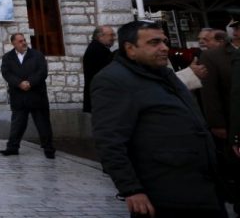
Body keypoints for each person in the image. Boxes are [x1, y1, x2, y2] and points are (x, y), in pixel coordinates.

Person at [92, 20, 224, 217]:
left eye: (164, 41)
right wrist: (131, 189)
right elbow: (110, 140)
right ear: (130, 49)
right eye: (154, 43)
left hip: (201, 187)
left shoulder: (165, 73)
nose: (164, 48)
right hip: (164, 193)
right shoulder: (113, 80)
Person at [197, 28, 238, 208]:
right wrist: (217, 123)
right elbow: (210, 93)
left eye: (205, 39)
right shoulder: (212, 57)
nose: (201, 42)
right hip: (231, 122)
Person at [0, 33, 55, 158]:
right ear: (13, 43)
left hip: (36, 95)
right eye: (20, 41)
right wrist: (19, 83)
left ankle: (49, 149)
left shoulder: (37, 55)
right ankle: (12, 147)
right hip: (19, 96)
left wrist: (30, 82)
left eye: (24, 40)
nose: (23, 43)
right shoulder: (8, 57)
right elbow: (6, 73)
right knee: (17, 124)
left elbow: (42, 72)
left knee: (43, 123)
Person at [82, 25, 116, 113]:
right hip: (101, 98)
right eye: (111, 35)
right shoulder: (98, 51)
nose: (114, 38)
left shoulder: (98, 48)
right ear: (100, 36)